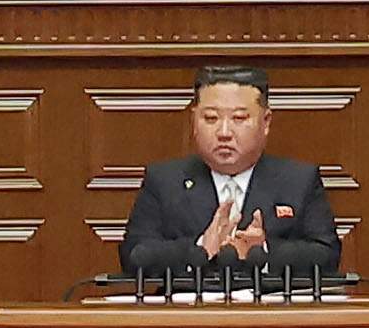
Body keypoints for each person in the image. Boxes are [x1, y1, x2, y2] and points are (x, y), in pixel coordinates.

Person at [119, 73, 343, 288]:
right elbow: (133, 256)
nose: (224, 132)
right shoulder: (164, 180)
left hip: (272, 318)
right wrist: (201, 247)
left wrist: (263, 252)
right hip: (188, 318)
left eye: (239, 118)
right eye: (211, 118)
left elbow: (327, 254)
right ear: (194, 120)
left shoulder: (298, 180)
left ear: (266, 122)